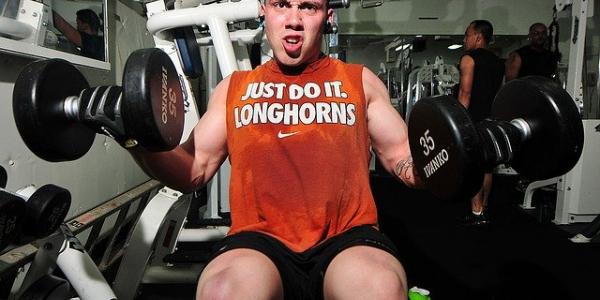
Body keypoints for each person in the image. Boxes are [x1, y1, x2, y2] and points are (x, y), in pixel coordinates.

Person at [129, 0, 421, 299]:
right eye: (282, 4)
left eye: (308, 7)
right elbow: (193, 168)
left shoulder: (360, 81)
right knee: (222, 290)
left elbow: (402, 156)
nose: (293, 19)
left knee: (379, 288)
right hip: (259, 240)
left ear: (327, 15)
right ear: (263, 11)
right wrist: (134, 139)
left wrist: (442, 166)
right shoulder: (234, 88)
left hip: (346, 237)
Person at [457, 20, 504, 226]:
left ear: (478, 37)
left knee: (474, 167)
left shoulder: (468, 59)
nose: (465, 39)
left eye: (467, 34)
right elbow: (501, 94)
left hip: (473, 120)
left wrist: (458, 120)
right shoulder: (498, 61)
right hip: (492, 120)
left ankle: (476, 213)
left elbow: (465, 93)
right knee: (487, 168)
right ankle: (483, 208)